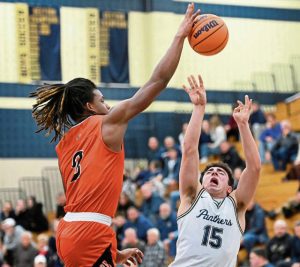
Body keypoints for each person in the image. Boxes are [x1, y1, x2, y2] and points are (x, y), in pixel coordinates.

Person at [31, 4, 200, 266]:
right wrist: (179, 36)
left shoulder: (64, 144)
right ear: (89, 106)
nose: (107, 105)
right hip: (90, 233)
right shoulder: (106, 123)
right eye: (102, 99)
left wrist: (112, 253)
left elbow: (83, 198)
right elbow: (157, 82)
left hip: (70, 231)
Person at [169, 74, 261, 267]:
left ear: (229, 188)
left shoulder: (236, 205)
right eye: (209, 172)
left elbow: (254, 168)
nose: (213, 173)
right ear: (201, 182)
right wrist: (199, 108)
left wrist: (243, 125)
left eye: (220, 173)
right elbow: (189, 150)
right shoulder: (192, 196)